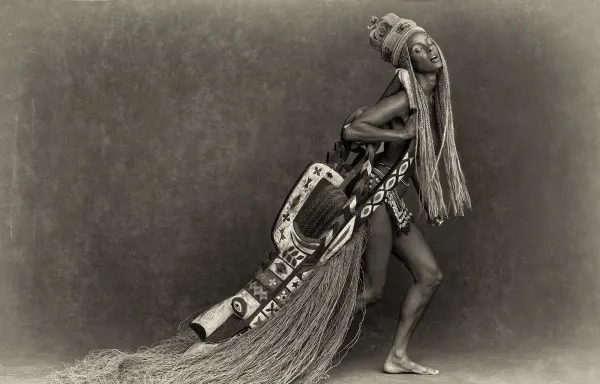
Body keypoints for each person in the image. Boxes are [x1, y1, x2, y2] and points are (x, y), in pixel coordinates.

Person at [342, 14, 472, 376]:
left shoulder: (426, 98)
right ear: (409, 62)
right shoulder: (406, 98)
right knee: (371, 293)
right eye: (418, 49)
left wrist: (427, 196)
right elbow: (353, 131)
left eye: (427, 40)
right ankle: (301, 339)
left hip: (391, 200)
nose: (429, 48)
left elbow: (409, 159)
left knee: (429, 275)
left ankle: (396, 356)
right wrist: (402, 135)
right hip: (377, 200)